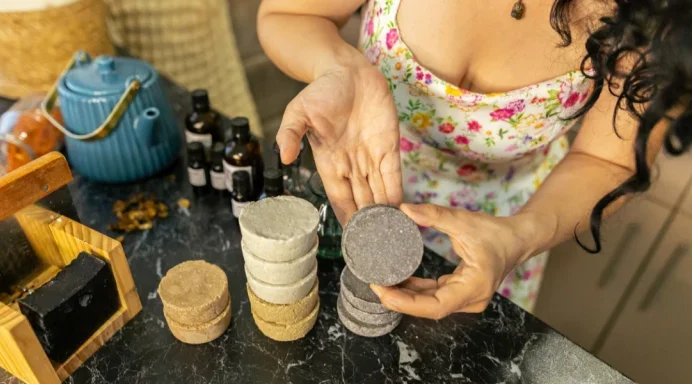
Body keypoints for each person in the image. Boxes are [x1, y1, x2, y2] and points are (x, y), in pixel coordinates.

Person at [258, 0, 692, 317]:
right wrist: (337, 66)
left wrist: (517, 237)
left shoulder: (656, 16)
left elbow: (607, 159)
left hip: (500, 229)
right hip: (355, 182)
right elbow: (288, 14)